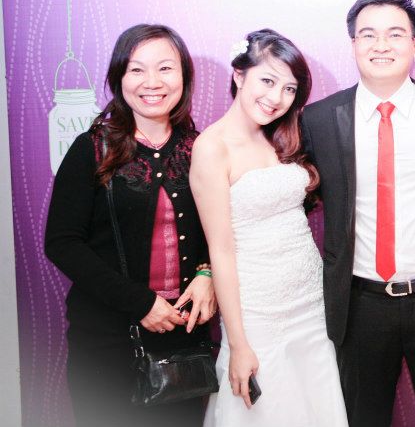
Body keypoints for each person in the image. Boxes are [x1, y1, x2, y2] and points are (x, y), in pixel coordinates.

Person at [300, 0, 415, 426]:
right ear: (353, 44)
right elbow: (290, 191)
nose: (381, 45)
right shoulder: (319, 119)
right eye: (368, 35)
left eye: (395, 34)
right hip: (360, 302)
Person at [45, 24, 216, 427]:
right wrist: (140, 303)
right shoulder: (92, 148)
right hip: (106, 341)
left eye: (165, 68)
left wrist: (207, 273)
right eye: (137, 69)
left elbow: (222, 230)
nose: (152, 82)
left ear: (184, 77)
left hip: (184, 338)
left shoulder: (202, 148)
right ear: (119, 78)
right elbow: (62, 242)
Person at [191, 29, 347, 427]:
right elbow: (221, 250)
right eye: (267, 81)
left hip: (310, 304)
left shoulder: (280, 136)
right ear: (239, 75)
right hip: (258, 313)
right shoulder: (212, 147)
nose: (276, 97)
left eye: (289, 88)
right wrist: (238, 342)